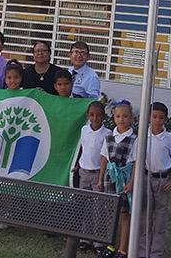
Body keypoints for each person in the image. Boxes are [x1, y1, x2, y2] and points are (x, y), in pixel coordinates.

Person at [138, 102, 171, 258]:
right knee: (145, 215)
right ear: (149, 117)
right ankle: (143, 251)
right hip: (146, 177)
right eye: (154, 117)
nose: (157, 120)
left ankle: (156, 252)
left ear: (165, 119)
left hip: (162, 180)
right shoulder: (143, 135)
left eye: (161, 118)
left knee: (160, 217)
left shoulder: (168, 138)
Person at [98, 100, 137, 258]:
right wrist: (100, 179)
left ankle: (122, 249)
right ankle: (110, 245)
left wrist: (131, 182)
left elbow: (135, 163)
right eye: (118, 116)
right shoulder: (109, 137)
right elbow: (104, 158)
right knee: (111, 213)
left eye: (125, 116)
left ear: (131, 118)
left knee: (124, 214)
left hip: (124, 178)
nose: (121, 119)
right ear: (114, 118)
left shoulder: (134, 138)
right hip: (110, 177)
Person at [73, 101, 111, 252]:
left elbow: (105, 156)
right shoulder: (84, 130)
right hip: (84, 172)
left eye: (98, 115)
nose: (95, 118)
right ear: (88, 115)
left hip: (97, 173)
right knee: (85, 205)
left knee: (99, 207)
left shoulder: (107, 134)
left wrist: (101, 177)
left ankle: (98, 241)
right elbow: (81, 149)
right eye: (92, 115)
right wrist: (76, 165)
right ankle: (85, 238)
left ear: (103, 116)